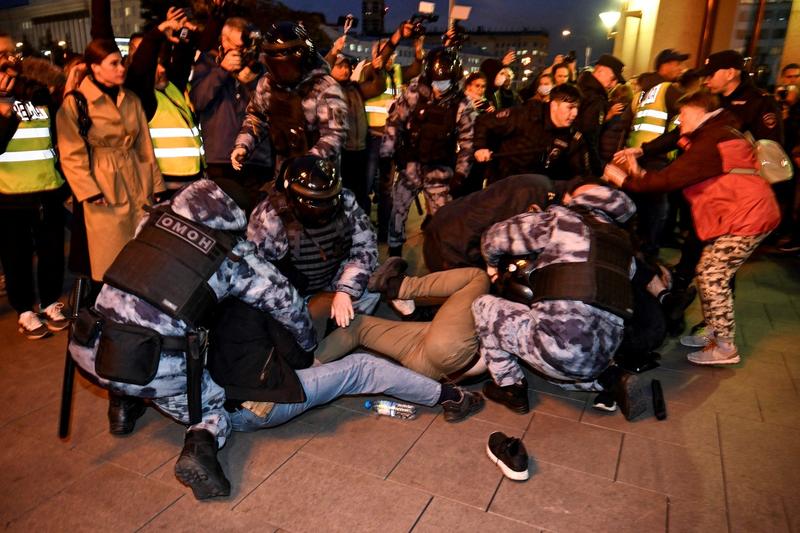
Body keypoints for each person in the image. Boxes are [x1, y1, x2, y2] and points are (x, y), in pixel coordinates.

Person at [68, 178, 317, 500]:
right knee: (213, 408)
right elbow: (287, 304)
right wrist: (309, 346)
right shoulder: (233, 254)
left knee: (139, 318)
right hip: (157, 368)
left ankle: (122, 407)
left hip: (90, 340)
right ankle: (200, 447)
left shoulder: (153, 218)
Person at [604, 90, 781, 365]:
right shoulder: (714, 130)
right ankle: (714, 331)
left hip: (748, 217)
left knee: (712, 274)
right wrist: (639, 162)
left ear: (701, 112)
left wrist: (623, 180)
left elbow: (666, 181)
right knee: (707, 270)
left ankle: (725, 347)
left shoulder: (711, 141)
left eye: (683, 114)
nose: (679, 120)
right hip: (739, 214)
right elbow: (673, 148)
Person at [471, 182, 650, 419]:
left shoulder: (561, 221)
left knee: (483, 306)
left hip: (558, 352)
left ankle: (510, 388)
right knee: (564, 355)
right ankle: (610, 379)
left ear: (582, 199)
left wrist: (492, 265)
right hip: (601, 358)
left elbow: (494, 237)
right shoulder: (624, 248)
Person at [56, 38, 165, 282]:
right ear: (94, 67)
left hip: (137, 178)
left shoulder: (131, 99)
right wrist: (90, 191)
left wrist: (157, 186)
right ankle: (108, 308)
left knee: (142, 250)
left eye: (122, 62)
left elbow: (145, 146)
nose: (121, 68)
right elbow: (71, 154)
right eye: (114, 63)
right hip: (104, 182)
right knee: (109, 255)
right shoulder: (76, 103)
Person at [247, 156, 378, 340]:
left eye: (328, 201)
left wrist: (345, 290)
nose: (324, 209)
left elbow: (366, 246)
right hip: (293, 290)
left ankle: (342, 327)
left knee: (373, 283)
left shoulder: (345, 200)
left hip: (332, 277)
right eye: (317, 204)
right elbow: (260, 275)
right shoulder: (271, 216)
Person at [316, 261, 491, 381]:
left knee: (478, 277)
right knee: (358, 325)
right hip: (430, 366)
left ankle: (398, 286)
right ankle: (303, 373)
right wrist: (411, 314)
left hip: (455, 353)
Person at [0, 38, 69, 339]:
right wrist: (5, 113)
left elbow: (55, 137)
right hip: (9, 195)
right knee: (16, 257)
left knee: (52, 251)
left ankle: (51, 302)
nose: (8, 60)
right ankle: (24, 311)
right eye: (1, 54)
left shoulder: (36, 94)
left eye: (10, 53)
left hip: (48, 189)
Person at [380, 46, 476, 257]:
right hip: (411, 166)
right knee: (398, 211)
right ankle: (394, 256)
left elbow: (468, 143)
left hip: (440, 171)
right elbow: (395, 122)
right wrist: (387, 154)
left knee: (443, 220)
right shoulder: (415, 92)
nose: (439, 87)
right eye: (436, 81)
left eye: (445, 82)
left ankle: (441, 258)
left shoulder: (462, 104)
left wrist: (461, 174)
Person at [231, 22, 347, 184]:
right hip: (282, 176)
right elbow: (257, 117)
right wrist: (243, 145)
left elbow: (335, 134)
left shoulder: (325, 87)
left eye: (281, 57)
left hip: (319, 181)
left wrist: (307, 162)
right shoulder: (267, 84)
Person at [191, 17, 267, 195]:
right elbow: (198, 100)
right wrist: (222, 70)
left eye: (246, 46)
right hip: (220, 157)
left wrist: (252, 79)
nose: (243, 51)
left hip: (256, 157)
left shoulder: (258, 65)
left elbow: (266, 107)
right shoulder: (207, 62)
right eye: (238, 47)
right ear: (224, 41)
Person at [625, 49, 689, 259]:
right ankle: (649, 254)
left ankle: (637, 249)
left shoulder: (643, 91)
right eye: (677, 64)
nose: (681, 69)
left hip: (637, 156)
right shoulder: (669, 90)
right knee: (656, 210)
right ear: (664, 66)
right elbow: (687, 118)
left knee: (641, 209)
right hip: (657, 157)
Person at [423, 174, 557, 272]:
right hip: (450, 251)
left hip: (444, 225)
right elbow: (492, 239)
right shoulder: (537, 198)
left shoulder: (537, 183)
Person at [473, 83, 590, 184]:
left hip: (537, 191)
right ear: (554, 105)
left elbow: (579, 173)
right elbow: (485, 121)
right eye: (570, 107)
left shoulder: (572, 136)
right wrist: (480, 147)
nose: (574, 113)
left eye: (577, 108)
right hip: (503, 181)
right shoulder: (525, 115)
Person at [325, 46, 386, 213]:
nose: (346, 70)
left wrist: (378, 71)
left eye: (347, 66)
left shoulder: (356, 88)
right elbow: (320, 70)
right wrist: (333, 51)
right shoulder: (327, 90)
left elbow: (378, 87)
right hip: (341, 153)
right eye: (340, 66)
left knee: (360, 194)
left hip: (360, 151)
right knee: (340, 194)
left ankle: (360, 227)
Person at [575, 54, 625, 175]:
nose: (613, 85)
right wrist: (597, 169)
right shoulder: (594, 98)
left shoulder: (584, 91)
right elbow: (589, 136)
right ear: (601, 71)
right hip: (580, 165)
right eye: (613, 79)